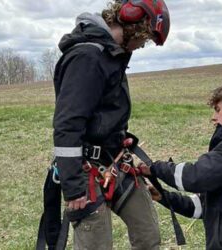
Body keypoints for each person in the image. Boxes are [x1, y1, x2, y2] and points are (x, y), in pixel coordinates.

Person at [49, 1, 170, 249]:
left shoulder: (111, 56)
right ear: (134, 29)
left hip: (115, 163)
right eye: (143, 39)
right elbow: (67, 125)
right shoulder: (87, 58)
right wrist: (73, 187)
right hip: (86, 172)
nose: (141, 45)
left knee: (148, 234)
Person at [140, 83, 222, 250]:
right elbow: (202, 207)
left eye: (218, 109)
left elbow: (196, 177)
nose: (213, 117)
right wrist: (163, 196)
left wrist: (155, 167)